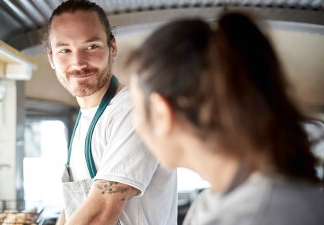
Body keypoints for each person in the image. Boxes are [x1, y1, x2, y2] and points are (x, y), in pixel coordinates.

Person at [126, 11, 324, 225]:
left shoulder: (257, 215)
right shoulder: (214, 201)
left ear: (160, 113)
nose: (135, 122)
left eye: (135, 106)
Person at [43, 1, 177, 225]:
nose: (78, 63)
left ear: (112, 48)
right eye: (64, 50)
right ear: (51, 59)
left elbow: (100, 214)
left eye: (91, 46)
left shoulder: (133, 112)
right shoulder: (85, 118)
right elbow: (75, 208)